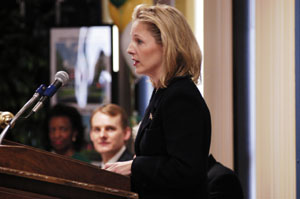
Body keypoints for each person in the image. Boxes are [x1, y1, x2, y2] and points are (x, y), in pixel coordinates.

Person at [103, 4, 211, 199]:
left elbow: (186, 170)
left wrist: (135, 165)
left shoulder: (180, 97)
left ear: (167, 46)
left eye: (139, 41)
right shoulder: (162, 92)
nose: (129, 49)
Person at [89, 103, 133, 168]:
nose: (102, 135)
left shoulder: (134, 168)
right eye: (97, 129)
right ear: (91, 135)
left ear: (126, 133)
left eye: (110, 129)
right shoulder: (94, 171)